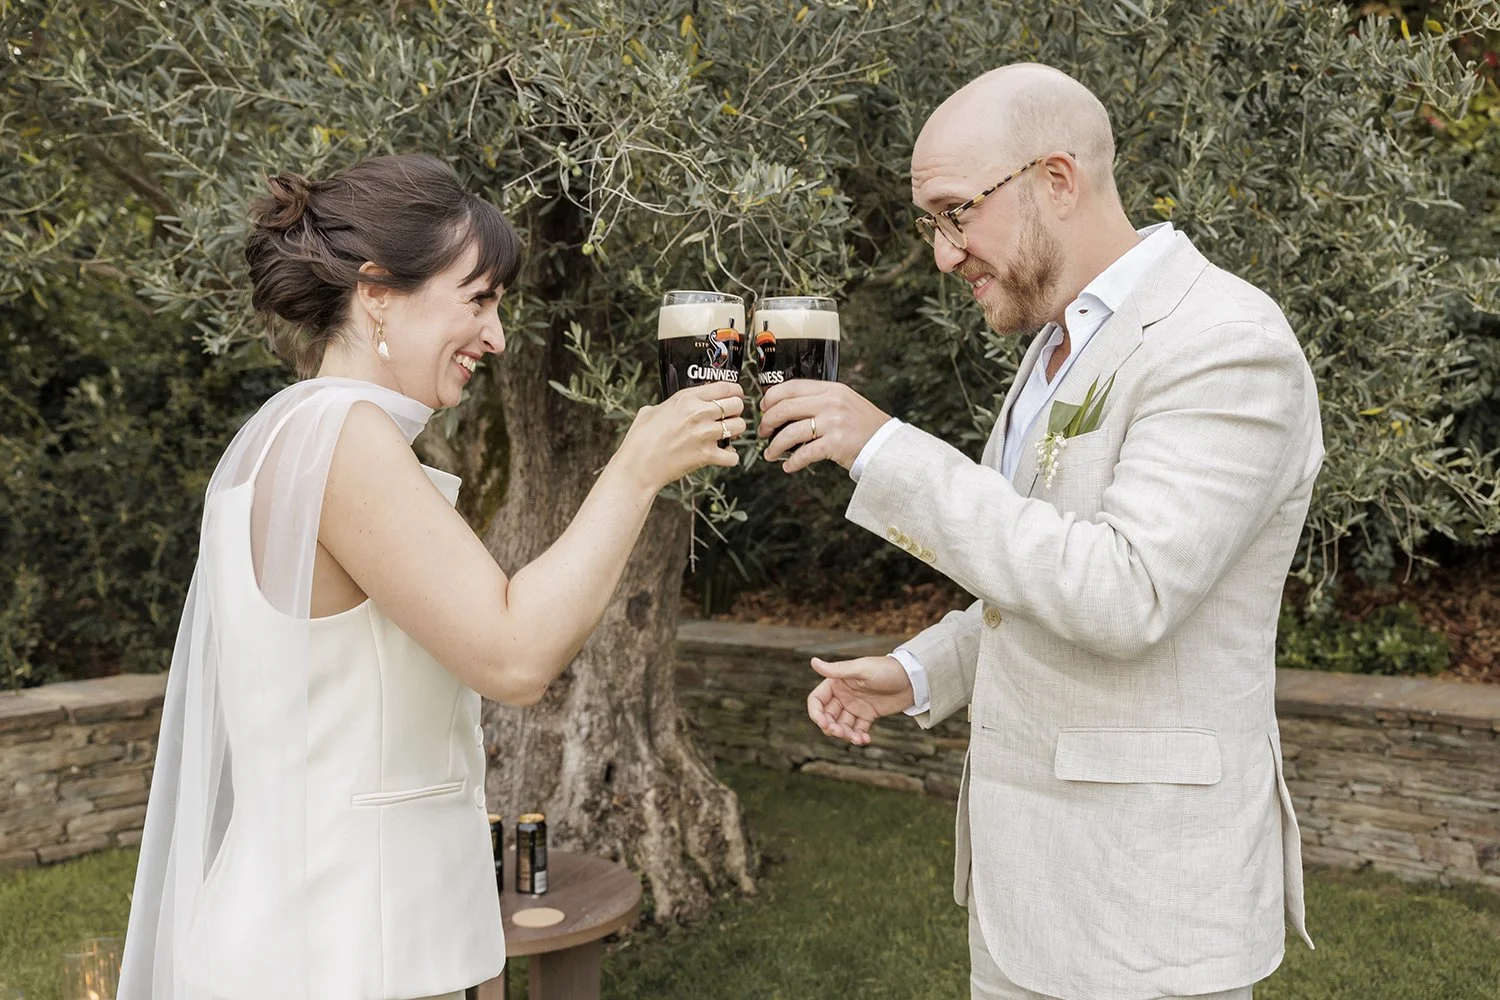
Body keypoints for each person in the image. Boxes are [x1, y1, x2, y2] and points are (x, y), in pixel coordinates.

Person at [119, 153, 747, 1000]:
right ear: (377, 292)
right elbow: (514, 655)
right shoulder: (343, 438)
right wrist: (636, 469)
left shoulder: (285, 437)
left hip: (325, 935)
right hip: (344, 955)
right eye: (478, 299)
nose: (495, 335)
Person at [758, 64, 1322, 1000]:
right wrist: (921, 671)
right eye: (931, 222)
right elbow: (1041, 573)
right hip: (1026, 909)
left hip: (1146, 916)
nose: (944, 254)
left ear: (1055, 180)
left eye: (955, 212)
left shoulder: (1224, 340)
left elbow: (1126, 592)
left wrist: (884, 448)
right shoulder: (1055, 349)